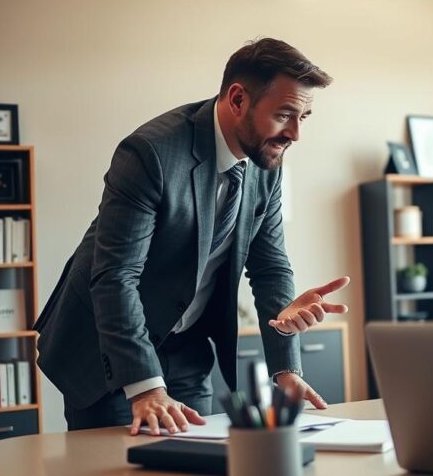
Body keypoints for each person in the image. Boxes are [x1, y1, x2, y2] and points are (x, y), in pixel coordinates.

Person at [35, 38, 350, 435]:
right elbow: (115, 276)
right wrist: (147, 388)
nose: (295, 134)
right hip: (108, 347)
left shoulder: (266, 162)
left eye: (304, 117)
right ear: (238, 100)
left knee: (196, 473)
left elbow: (270, 267)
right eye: (285, 114)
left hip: (187, 350)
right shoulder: (150, 152)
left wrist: (286, 369)